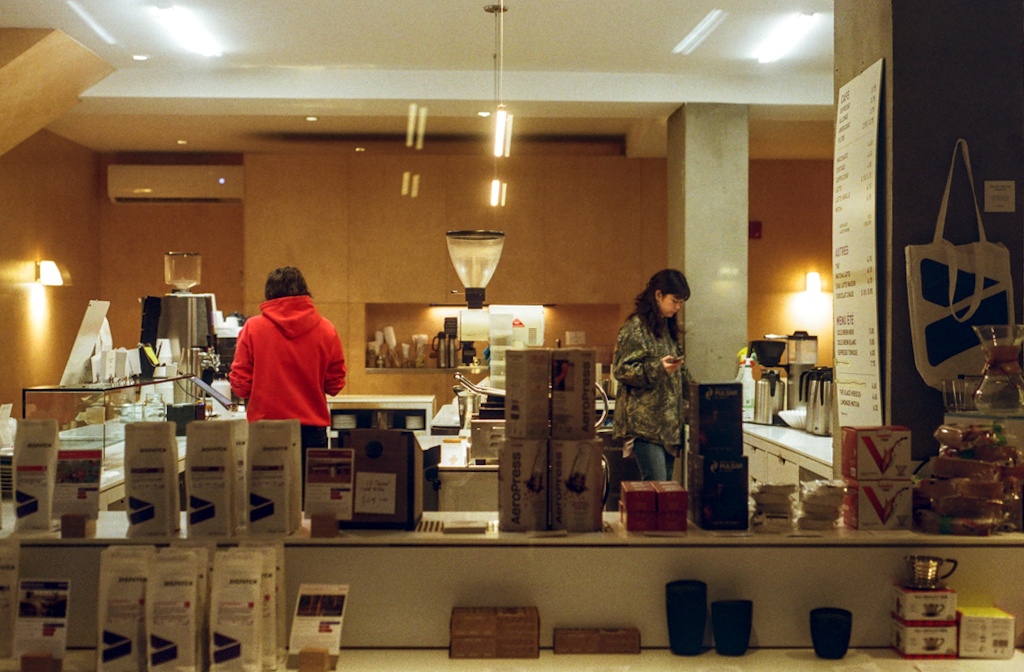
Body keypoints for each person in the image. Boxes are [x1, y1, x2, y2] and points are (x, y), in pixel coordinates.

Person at [229, 266, 347, 485]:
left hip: (265, 434)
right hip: (312, 434)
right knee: (313, 507)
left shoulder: (252, 328)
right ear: (304, 291)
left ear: (269, 295)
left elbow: (241, 387)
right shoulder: (326, 329)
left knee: (267, 507)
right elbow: (335, 385)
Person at [611, 269, 691, 481]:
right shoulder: (635, 328)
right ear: (658, 295)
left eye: (681, 303)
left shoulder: (666, 329)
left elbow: (681, 374)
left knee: (663, 490)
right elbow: (621, 370)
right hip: (644, 427)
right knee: (656, 486)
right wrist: (658, 368)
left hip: (667, 428)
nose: (677, 307)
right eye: (674, 301)